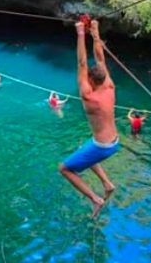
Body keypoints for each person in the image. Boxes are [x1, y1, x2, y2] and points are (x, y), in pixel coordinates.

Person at [59, 20, 119, 219]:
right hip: (114, 142)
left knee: (65, 169)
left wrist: (80, 34)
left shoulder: (89, 96)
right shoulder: (109, 86)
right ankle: (107, 184)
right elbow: (100, 58)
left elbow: (82, 63)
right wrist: (95, 32)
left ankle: (95, 199)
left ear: (92, 81)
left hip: (102, 146)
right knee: (83, 148)